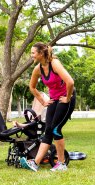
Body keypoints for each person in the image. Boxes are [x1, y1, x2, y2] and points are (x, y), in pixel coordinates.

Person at [20, 42, 76, 172]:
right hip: (54, 100)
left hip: (66, 99)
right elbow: (32, 87)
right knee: (48, 131)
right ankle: (35, 163)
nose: (31, 56)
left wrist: (68, 98)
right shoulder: (38, 69)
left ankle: (61, 164)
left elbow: (70, 82)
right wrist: (42, 101)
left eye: (33, 53)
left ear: (41, 53)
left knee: (56, 129)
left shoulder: (54, 63)